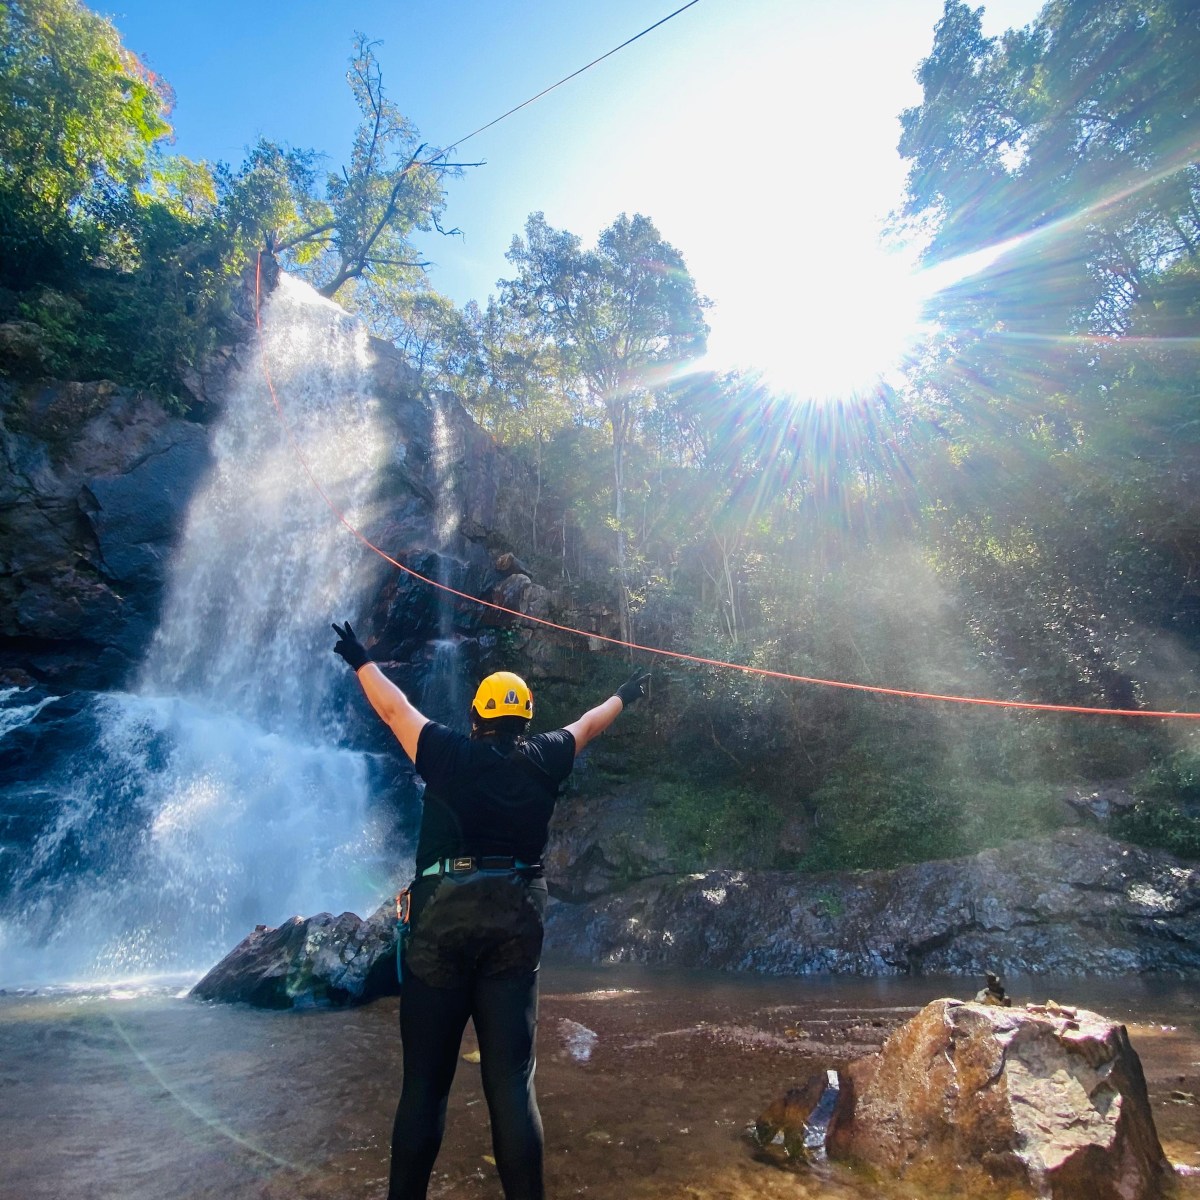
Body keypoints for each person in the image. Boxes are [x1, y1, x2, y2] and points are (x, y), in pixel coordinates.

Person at [331, 620, 651, 1200]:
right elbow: (590, 723)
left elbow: (394, 710)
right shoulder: (549, 756)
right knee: (512, 1083)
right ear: (526, 720)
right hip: (515, 925)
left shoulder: (448, 752)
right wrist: (626, 694)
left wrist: (359, 659)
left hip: (440, 929)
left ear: (476, 718)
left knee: (424, 1087)